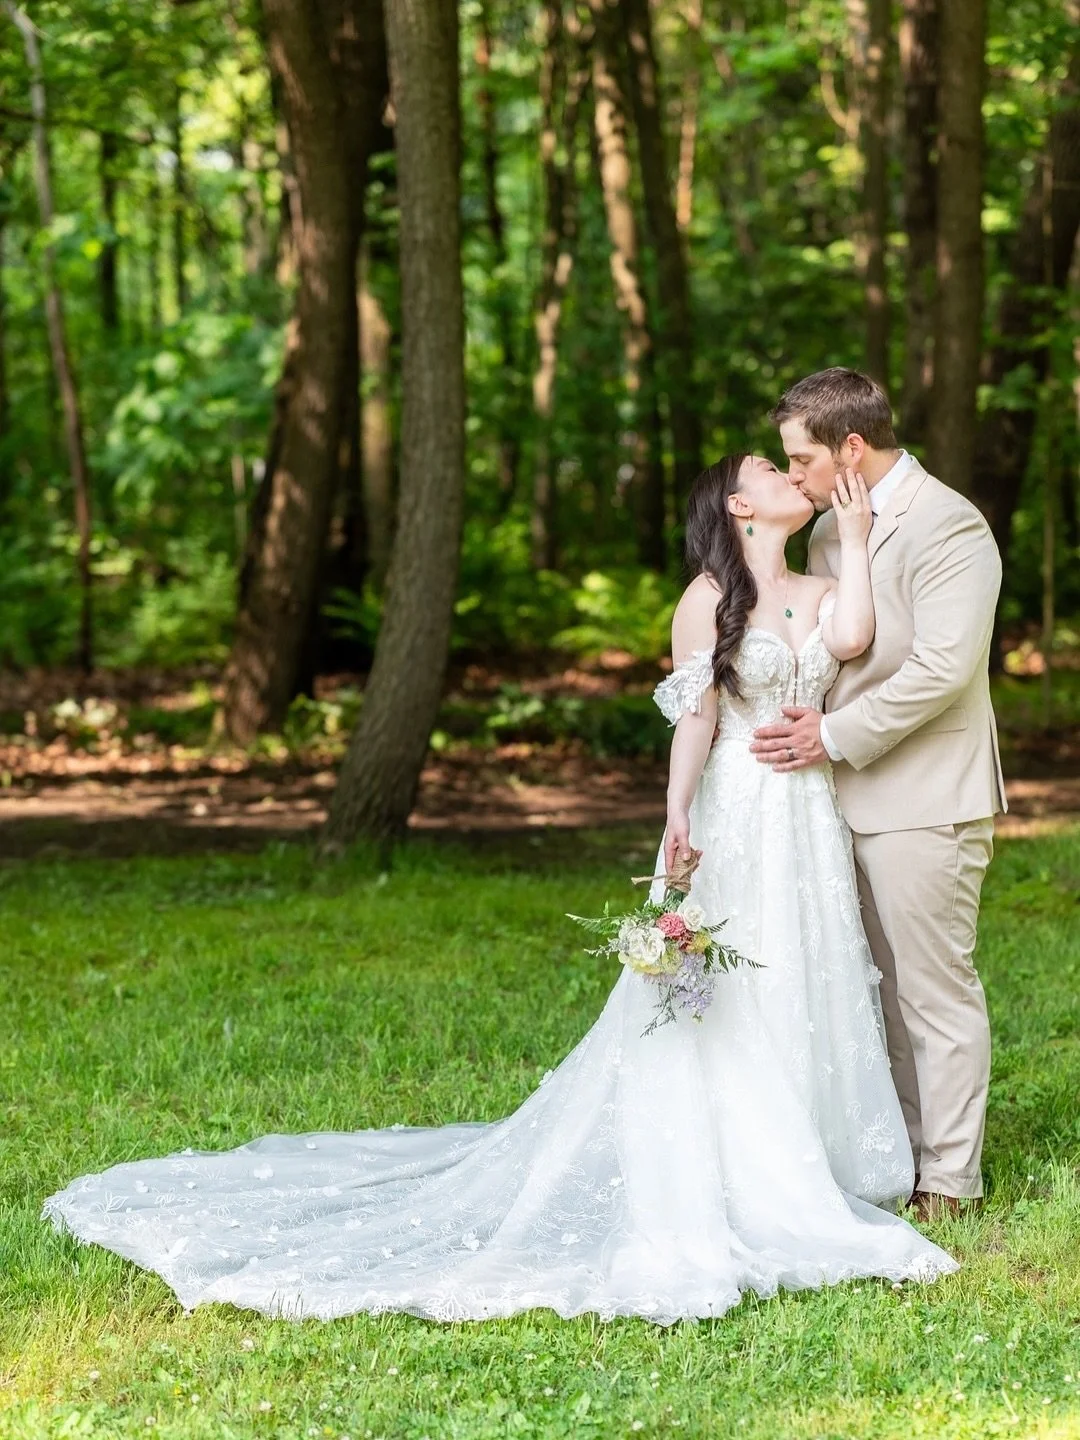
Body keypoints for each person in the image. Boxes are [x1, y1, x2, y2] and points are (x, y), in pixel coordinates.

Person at [43, 453, 954, 1324]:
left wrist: (862, 537)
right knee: (726, 991)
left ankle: (813, 1152)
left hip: (807, 819)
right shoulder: (706, 602)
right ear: (738, 507)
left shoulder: (823, 588)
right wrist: (676, 818)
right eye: (769, 471)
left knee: (810, 969)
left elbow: (855, 638)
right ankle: (740, 1164)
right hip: (736, 813)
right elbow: (695, 717)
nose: (790, 476)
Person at [753, 367, 1006, 1220]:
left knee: (932, 992)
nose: (793, 477)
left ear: (850, 447)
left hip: (926, 796)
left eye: (800, 459)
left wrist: (828, 737)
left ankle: (952, 1179)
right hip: (833, 804)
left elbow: (942, 669)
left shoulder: (950, 526)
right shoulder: (831, 532)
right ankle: (900, 1153)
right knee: (876, 992)